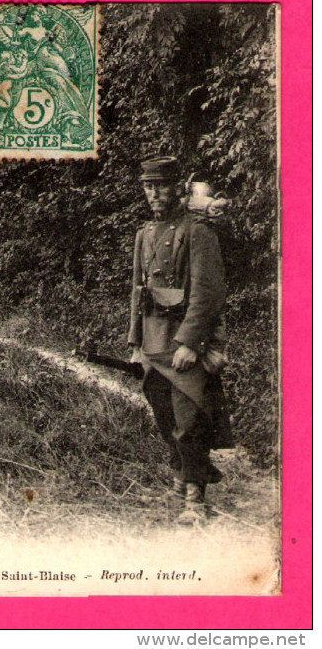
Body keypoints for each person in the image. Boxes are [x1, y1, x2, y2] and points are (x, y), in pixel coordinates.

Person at [128, 156, 233, 526]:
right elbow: (138, 291)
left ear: (178, 189)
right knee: (163, 412)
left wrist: (190, 342)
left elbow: (207, 292)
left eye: (161, 186)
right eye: (148, 186)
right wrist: (134, 342)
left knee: (190, 417)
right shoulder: (145, 233)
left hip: (185, 340)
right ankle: (180, 478)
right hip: (153, 341)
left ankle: (195, 496)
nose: (154, 193)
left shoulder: (198, 231)